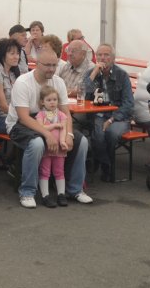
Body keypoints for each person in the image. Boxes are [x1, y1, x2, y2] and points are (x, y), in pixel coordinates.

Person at [10, 42, 92, 208]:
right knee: (37, 143)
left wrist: (69, 135)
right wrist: (47, 135)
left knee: (82, 141)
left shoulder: (58, 82)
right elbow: (24, 118)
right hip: (22, 124)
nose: (51, 69)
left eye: (54, 65)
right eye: (47, 65)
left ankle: (75, 189)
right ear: (37, 63)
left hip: (54, 120)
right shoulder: (23, 82)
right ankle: (27, 192)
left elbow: (66, 113)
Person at [84, 44, 135, 183]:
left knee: (111, 133)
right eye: (99, 55)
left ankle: (101, 162)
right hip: (98, 114)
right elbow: (83, 93)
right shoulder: (91, 73)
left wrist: (113, 118)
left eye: (106, 55)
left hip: (118, 116)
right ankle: (106, 164)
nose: (102, 58)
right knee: (99, 135)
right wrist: (94, 73)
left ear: (113, 58)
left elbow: (129, 103)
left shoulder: (121, 75)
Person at [33, 85, 69, 208]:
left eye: (54, 99)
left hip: (59, 148)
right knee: (45, 171)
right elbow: (40, 127)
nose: (52, 102)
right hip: (46, 148)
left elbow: (63, 129)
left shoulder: (61, 115)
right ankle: (45, 195)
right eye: (49, 100)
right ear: (42, 102)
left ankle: (61, 194)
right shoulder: (41, 115)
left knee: (59, 171)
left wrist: (63, 141)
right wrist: (54, 126)